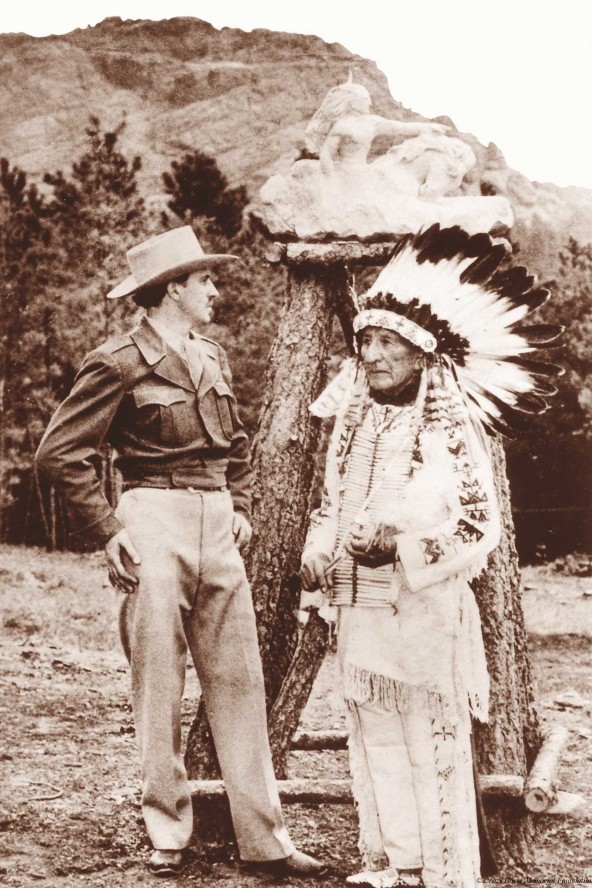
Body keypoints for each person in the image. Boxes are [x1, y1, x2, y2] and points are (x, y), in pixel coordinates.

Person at [35, 226, 326, 879]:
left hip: (216, 522)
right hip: (152, 518)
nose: (215, 291)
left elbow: (238, 443)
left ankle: (265, 840)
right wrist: (110, 527)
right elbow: (60, 455)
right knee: (159, 683)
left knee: (240, 682)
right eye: (205, 282)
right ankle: (168, 833)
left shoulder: (212, 356)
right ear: (172, 290)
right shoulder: (117, 361)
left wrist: (241, 506)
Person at [300, 224, 562, 888]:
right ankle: (392, 861)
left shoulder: (450, 430)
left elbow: (479, 527)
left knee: (432, 745)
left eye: (389, 342)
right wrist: (317, 556)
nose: (374, 354)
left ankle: (444, 871)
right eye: (366, 342)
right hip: (359, 609)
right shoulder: (351, 429)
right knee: (376, 740)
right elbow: (332, 510)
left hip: (424, 613)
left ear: (420, 354)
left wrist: (403, 545)